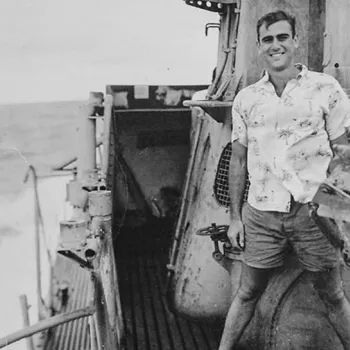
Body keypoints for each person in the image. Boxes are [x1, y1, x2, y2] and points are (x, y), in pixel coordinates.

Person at [219, 10, 350, 350]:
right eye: (267, 39)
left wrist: (338, 213)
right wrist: (234, 218)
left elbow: (344, 152)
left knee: (333, 294)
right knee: (247, 292)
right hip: (262, 213)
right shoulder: (246, 99)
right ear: (259, 46)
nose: (275, 45)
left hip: (314, 214)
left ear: (295, 41)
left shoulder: (326, 88)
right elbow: (238, 160)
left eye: (282, 37)